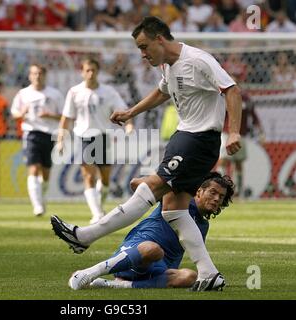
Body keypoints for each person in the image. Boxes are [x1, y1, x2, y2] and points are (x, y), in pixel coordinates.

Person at [51, 16, 242, 291]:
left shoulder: (198, 60)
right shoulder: (168, 65)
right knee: (173, 210)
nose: (142, 54)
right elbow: (162, 91)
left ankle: (85, 236)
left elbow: (231, 90)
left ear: (159, 39)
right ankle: (209, 273)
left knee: (151, 187)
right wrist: (131, 112)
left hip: (198, 139)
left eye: (144, 47)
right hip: (186, 136)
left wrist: (233, 131)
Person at [68, 172, 234, 290]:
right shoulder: (177, 198)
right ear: (199, 191)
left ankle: (117, 285)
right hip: (138, 253)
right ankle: (89, 273)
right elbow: (134, 183)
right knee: (153, 249)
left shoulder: (203, 225)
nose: (216, 199)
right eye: (213, 192)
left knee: (190, 277)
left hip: (159, 269)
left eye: (221, 197)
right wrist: (150, 183)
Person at [57, 57, 133, 224]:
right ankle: (97, 213)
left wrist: (129, 125)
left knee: (104, 181)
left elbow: (123, 111)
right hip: (84, 136)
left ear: (98, 72)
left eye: (93, 70)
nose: (90, 73)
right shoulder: (74, 92)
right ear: (82, 72)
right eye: (87, 70)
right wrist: (61, 139)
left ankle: (100, 205)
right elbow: (67, 118)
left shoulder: (109, 92)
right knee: (88, 176)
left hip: (103, 136)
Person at [11, 63, 64, 216]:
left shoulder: (55, 94)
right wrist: (21, 112)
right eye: (34, 73)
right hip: (31, 133)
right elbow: (14, 113)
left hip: (49, 134)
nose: (37, 76)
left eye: (40, 73)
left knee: (46, 172)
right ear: (29, 76)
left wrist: (50, 115)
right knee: (33, 168)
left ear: (45, 75)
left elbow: (64, 115)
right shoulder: (23, 94)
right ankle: (37, 205)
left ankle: (41, 197)